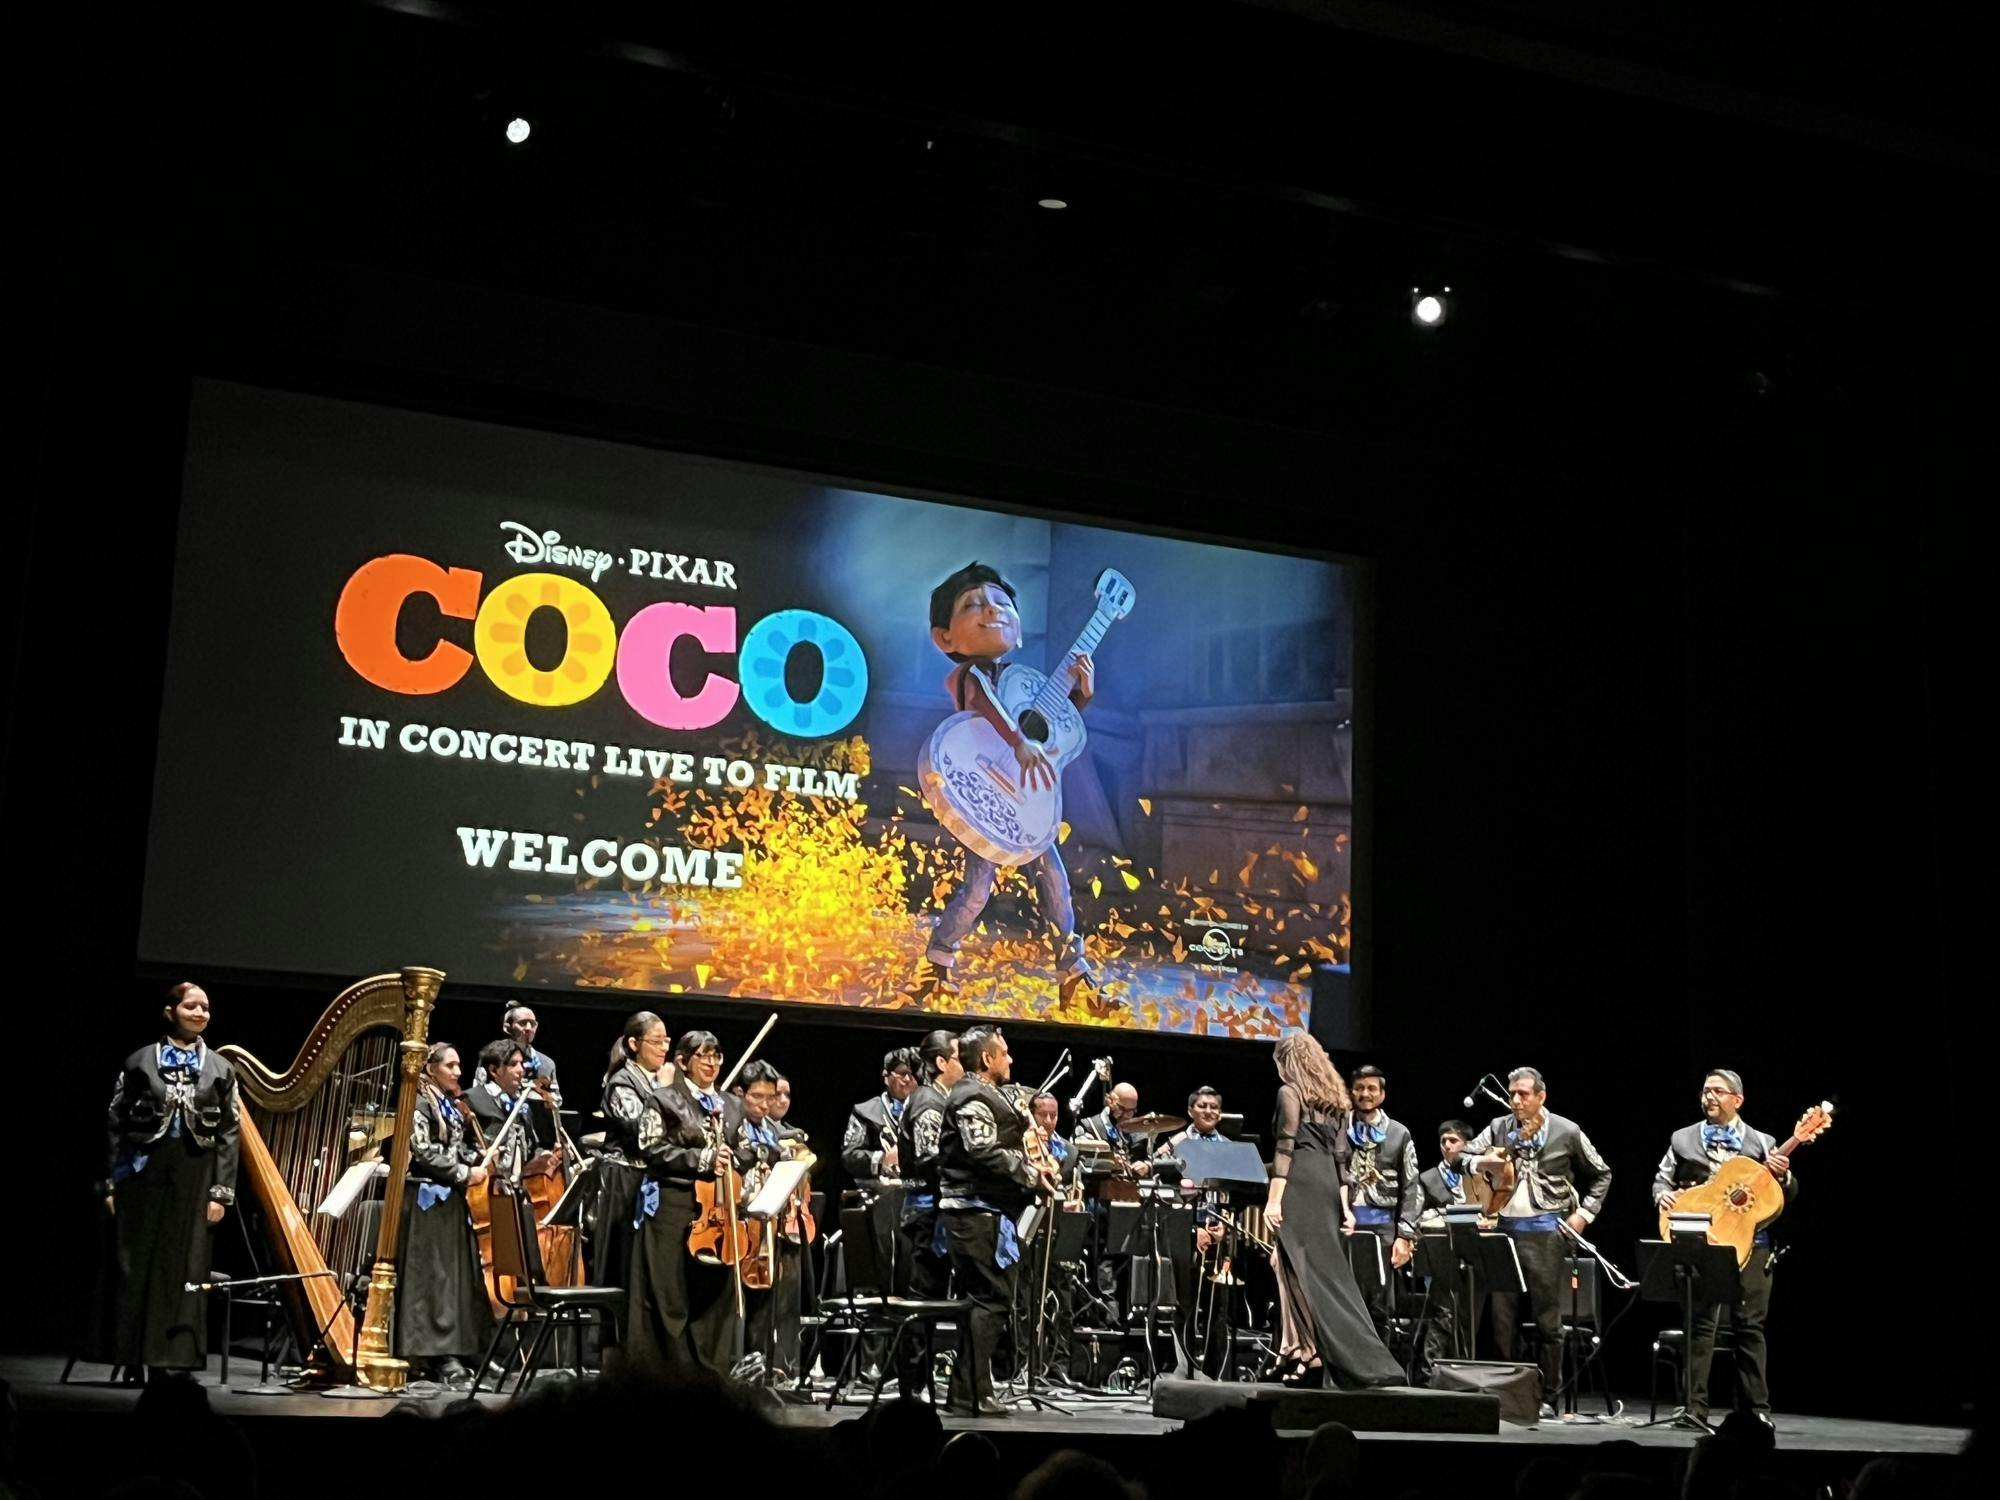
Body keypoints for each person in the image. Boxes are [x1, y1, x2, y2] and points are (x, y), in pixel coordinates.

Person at [903, 561, 1101, 1009]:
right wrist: (1018, 741)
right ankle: (938, 962)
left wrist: (1081, 695)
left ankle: (1074, 974)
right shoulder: (974, 675)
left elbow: (1053, 729)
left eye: (1001, 602)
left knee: (1055, 879)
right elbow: (990, 707)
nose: (990, 610)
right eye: (972, 605)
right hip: (988, 798)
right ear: (944, 638)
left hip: (1027, 801)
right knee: (977, 888)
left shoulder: (1023, 683)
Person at [100, 983, 242, 1376]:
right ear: (170, 1011)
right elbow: (115, 1122)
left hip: (195, 1172)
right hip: (142, 1171)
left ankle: (171, 1357)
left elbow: (231, 1133)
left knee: (185, 1265)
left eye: (205, 1008)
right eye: (191, 1006)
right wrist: (111, 1183)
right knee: (137, 1262)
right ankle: (131, 1355)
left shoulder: (220, 1068)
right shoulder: (140, 1061)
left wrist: (221, 1192)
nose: (199, 1013)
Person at [1461, 1067, 1613, 1416]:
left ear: (1541, 1097)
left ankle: (1548, 1396)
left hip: (1548, 1231)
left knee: (1547, 1320)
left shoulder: (1566, 1130)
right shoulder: (1500, 1128)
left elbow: (1602, 1173)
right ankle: (1509, 1395)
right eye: (1512, 1094)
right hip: (1504, 1229)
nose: (1515, 1100)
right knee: (1503, 1320)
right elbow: (1460, 1157)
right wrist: (1481, 1161)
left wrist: (1583, 1216)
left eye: (1523, 1094)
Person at [1651, 1069, 1794, 1425]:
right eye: (1704, 1091)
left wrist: (1785, 1176)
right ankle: (1693, 1408)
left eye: (1717, 1091)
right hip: (1701, 1239)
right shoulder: (1682, 1139)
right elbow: (1661, 1178)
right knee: (1699, 1325)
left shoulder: (1762, 1142)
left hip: (1752, 1242)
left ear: (1737, 1100)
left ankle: (1756, 1412)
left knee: (1749, 1327)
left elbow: (1783, 1195)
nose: (1708, 1097)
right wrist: (1662, 1195)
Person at [1262, 1033, 1403, 1389]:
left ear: (1288, 1061)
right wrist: (1346, 1208)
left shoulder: (1289, 1093)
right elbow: (1343, 1160)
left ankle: (1310, 1354)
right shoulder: (1335, 1099)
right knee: (1288, 1264)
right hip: (1327, 1185)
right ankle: (1293, 1349)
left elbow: (1285, 1147)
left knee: (1297, 1269)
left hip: (1300, 1182)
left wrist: (1274, 1199)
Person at [938, 1026, 1059, 1416]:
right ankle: (967, 1393)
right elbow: (982, 1149)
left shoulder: (988, 1094)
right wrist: (1029, 1174)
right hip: (972, 1213)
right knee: (990, 1300)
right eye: (1004, 1053)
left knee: (988, 1300)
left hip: (985, 1211)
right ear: (987, 1059)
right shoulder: (971, 1095)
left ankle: (972, 1389)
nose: (1011, 1060)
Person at [625, 1030, 756, 1375]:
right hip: (674, 1204)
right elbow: (650, 1147)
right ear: (683, 1062)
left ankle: (712, 1370)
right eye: (703, 1056)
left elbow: (747, 1148)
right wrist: (701, 1158)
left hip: (719, 1208)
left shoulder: (731, 1105)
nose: (712, 1063)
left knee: (714, 1291)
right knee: (671, 1291)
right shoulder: (663, 1100)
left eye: (717, 1056)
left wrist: (734, 1158)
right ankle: (673, 1372)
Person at [397, 1042, 493, 1390]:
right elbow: (421, 1151)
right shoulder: (421, 1103)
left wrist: (476, 1156)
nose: (457, 1072)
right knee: (433, 1279)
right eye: (450, 1066)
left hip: (449, 1201)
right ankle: (433, 1353)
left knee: (454, 1278)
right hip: (426, 1202)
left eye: (458, 1065)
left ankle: (461, 1348)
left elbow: (454, 1147)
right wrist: (464, 1173)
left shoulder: (450, 1105)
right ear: (429, 1069)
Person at [896, 1030, 964, 1398]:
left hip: (932, 1214)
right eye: (957, 1057)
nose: (962, 1064)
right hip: (926, 1215)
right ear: (941, 1063)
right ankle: (913, 1391)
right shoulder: (927, 1102)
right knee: (921, 1307)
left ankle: (922, 1387)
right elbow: (927, 1160)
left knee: (929, 1305)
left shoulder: (940, 1099)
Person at [1343, 1065, 1424, 1372]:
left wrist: (1405, 1235)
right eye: (1360, 1087)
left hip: (1382, 1226)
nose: (1365, 1093)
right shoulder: (1341, 1127)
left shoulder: (1399, 1133)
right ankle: (1347, 1368)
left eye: (1372, 1088)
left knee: (1379, 1304)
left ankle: (1379, 1370)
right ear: (1352, 1091)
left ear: (1382, 1093)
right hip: (1345, 1223)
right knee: (1346, 1298)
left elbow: (1412, 1186)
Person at [736, 1059, 810, 1381]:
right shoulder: (734, 1124)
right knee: (750, 1298)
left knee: (772, 1299)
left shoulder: (774, 1129)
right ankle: (746, 1363)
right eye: (758, 1098)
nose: (766, 1105)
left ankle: (772, 1364)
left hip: (773, 1222)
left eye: (771, 1098)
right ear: (741, 1094)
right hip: (743, 1222)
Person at [593, 1012, 668, 1297]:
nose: (663, 1048)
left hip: (646, 1177)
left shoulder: (655, 1082)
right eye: (656, 1042)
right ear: (635, 1044)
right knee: (622, 1259)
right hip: (623, 1181)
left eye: (666, 1042)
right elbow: (642, 1133)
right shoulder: (622, 1083)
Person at [843, 1047, 922, 1303]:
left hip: (917, 1201)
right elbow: (850, 1156)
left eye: (913, 1074)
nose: (908, 1079)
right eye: (901, 1074)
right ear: (885, 1076)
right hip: (880, 1202)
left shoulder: (928, 1109)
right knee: (883, 1273)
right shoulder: (867, 1112)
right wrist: (883, 1159)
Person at [1418, 1118, 1481, 1364]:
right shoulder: (1428, 1178)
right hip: (1440, 1252)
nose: (1447, 1145)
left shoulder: (1477, 1176)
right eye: (1443, 1141)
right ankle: (1429, 1368)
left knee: (1467, 1315)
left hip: (1472, 1252)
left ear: (1466, 1145)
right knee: (1443, 1311)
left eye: (1453, 1140)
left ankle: (1462, 1366)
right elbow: (1419, 1215)